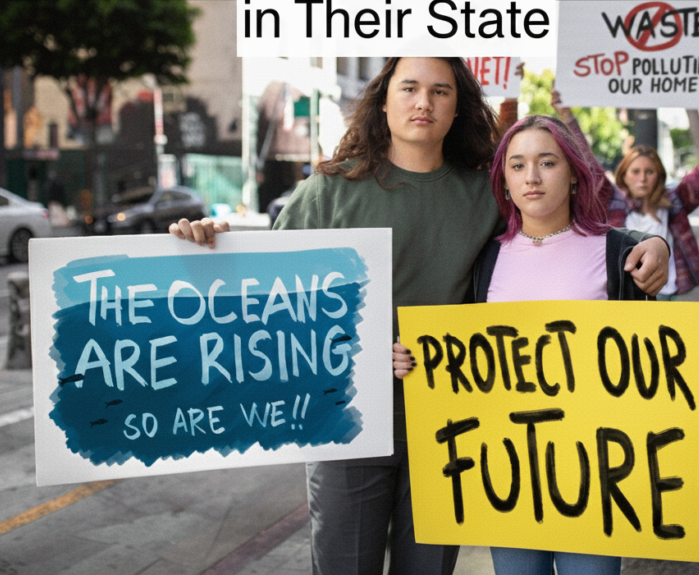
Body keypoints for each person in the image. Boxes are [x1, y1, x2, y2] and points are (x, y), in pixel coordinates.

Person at [169, 57, 671, 575]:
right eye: (409, 87)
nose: (423, 102)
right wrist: (206, 247)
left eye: (440, 91)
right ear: (383, 99)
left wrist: (652, 242)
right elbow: (262, 293)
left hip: (449, 428)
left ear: (458, 108)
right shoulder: (328, 191)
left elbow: (563, 231)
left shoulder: (486, 192)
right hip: (348, 425)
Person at [393, 114, 699, 575]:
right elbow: (457, 360)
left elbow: (657, 363)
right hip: (510, 478)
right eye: (517, 166)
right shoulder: (482, 260)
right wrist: (411, 359)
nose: (532, 178)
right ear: (503, 180)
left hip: (600, 482)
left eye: (547, 163)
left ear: (576, 177)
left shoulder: (620, 254)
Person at [552, 89, 699, 300]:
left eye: (649, 172)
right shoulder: (611, 201)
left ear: (658, 176)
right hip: (622, 295)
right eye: (636, 172)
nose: (642, 178)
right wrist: (566, 115)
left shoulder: (675, 203)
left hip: (666, 295)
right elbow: (586, 160)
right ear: (624, 175)